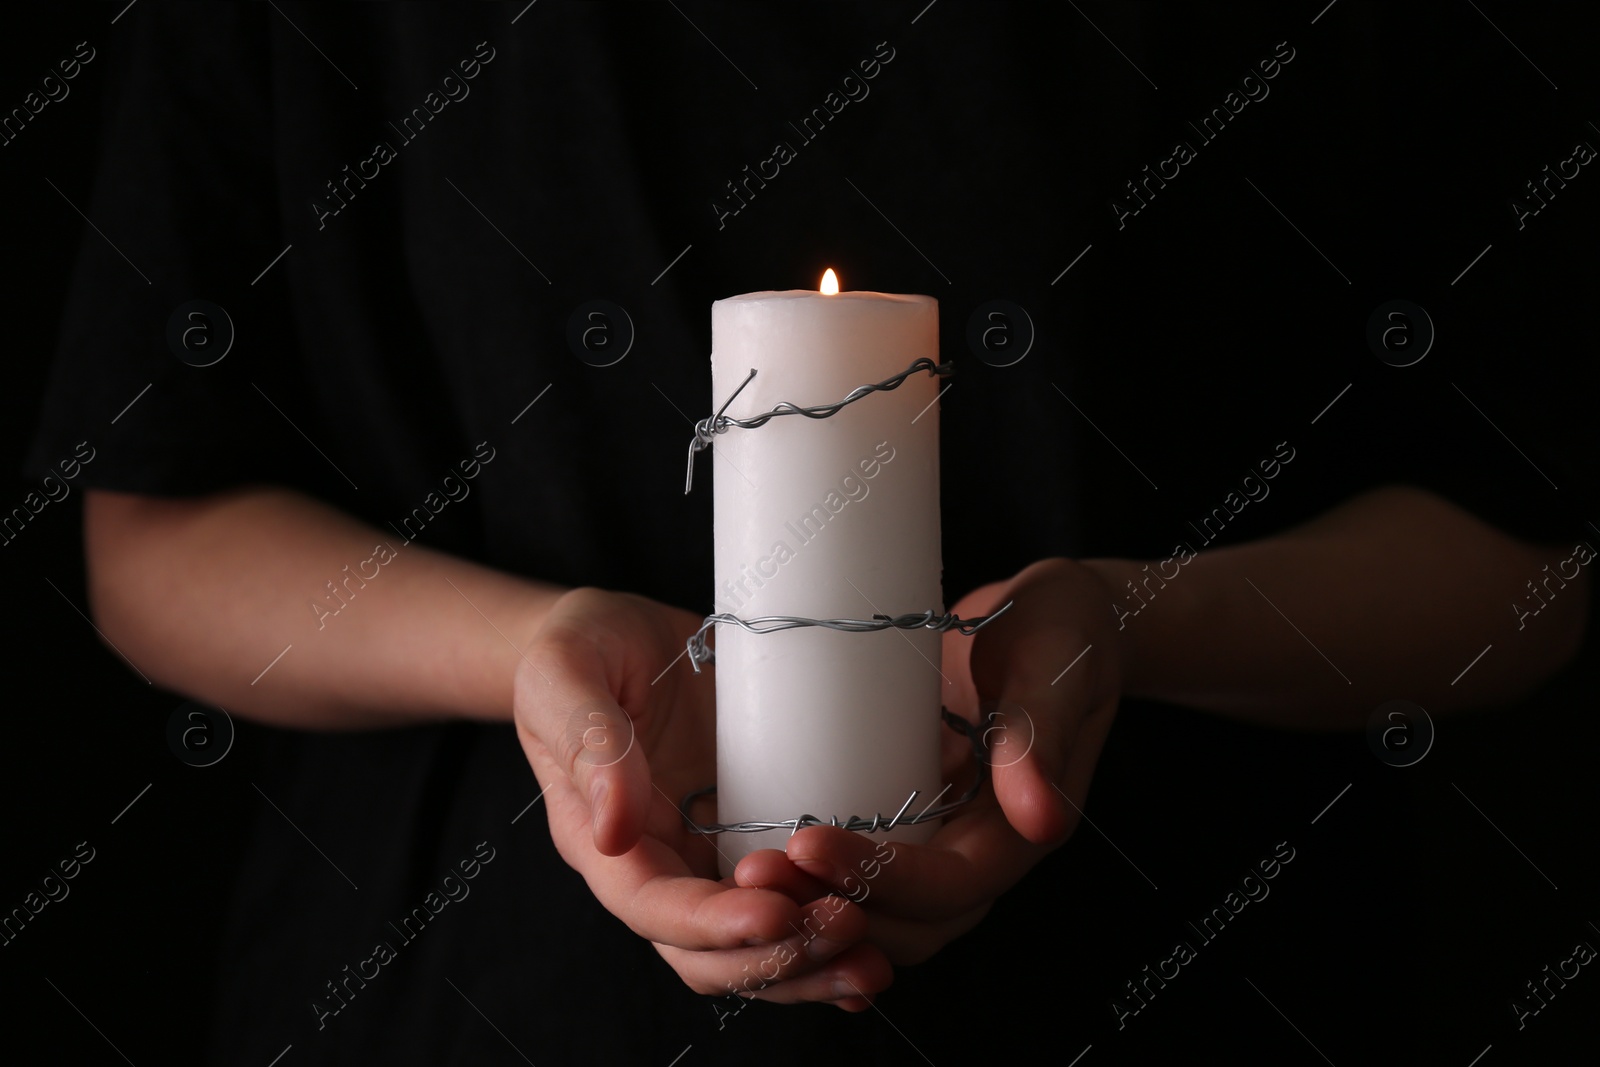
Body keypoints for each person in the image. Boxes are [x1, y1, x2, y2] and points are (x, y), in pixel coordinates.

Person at [28, 3, 1593, 1063]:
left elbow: (1524, 563)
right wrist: (528, 655)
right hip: (461, 1005)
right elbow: (157, 527)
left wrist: (1125, 622)